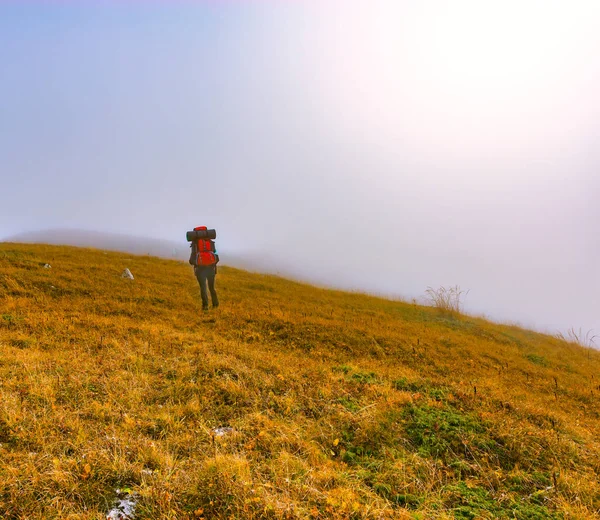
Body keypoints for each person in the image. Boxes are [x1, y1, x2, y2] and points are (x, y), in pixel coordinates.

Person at [189, 226, 219, 311]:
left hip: (200, 270)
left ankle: (205, 306)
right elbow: (216, 256)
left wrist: (196, 263)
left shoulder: (195, 244)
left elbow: (192, 260)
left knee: (203, 287)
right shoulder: (210, 243)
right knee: (211, 287)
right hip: (211, 269)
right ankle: (215, 304)